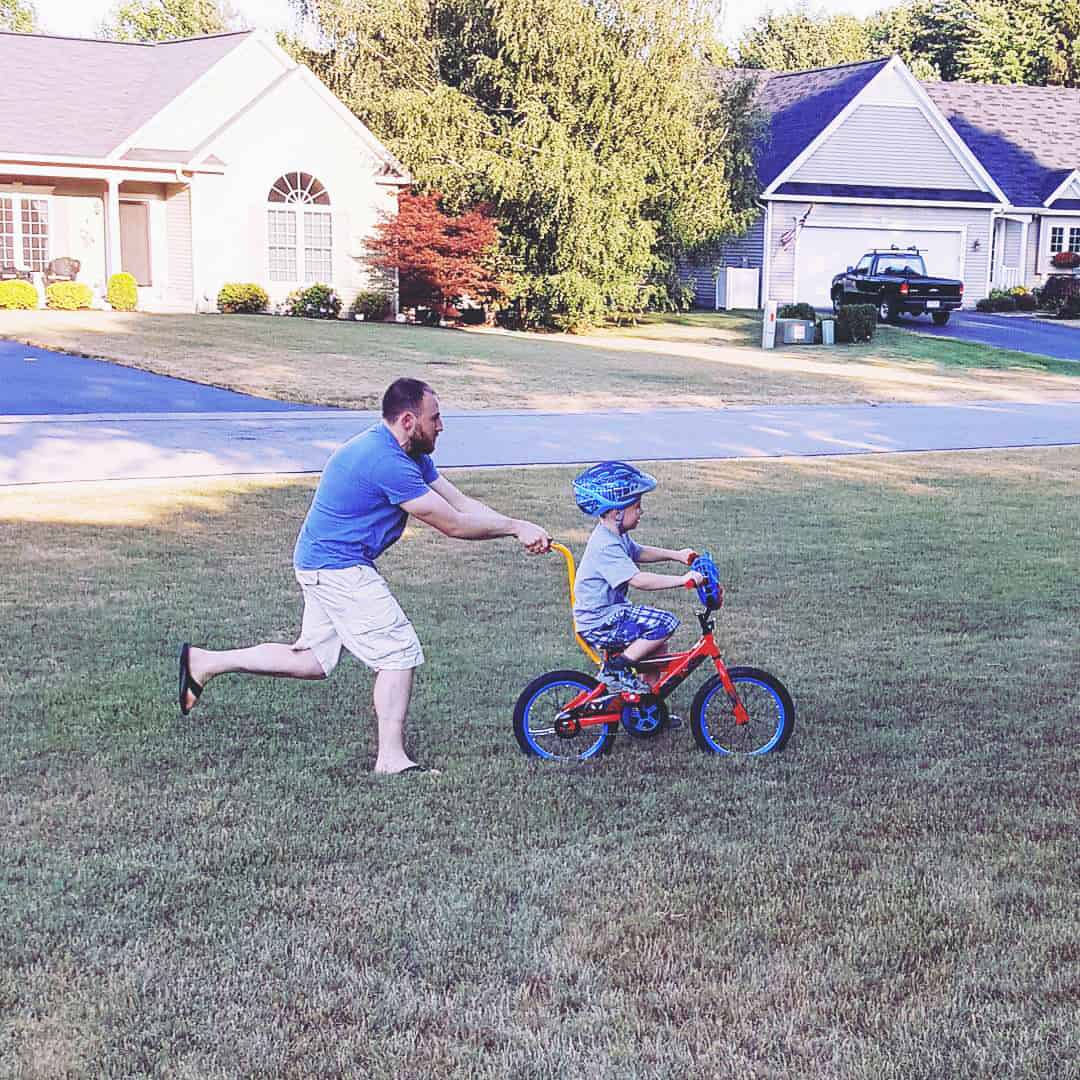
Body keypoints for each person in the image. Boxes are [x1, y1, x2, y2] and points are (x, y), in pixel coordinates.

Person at [177, 377, 551, 774]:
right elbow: (453, 525)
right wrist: (513, 527)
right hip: (337, 565)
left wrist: (518, 525)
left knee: (313, 662)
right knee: (398, 653)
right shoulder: (385, 461)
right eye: (435, 417)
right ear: (409, 420)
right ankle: (391, 759)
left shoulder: (409, 453)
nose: (441, 426)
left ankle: (204, 662)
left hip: (325, 561)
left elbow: (460, 503)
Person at [571, 461, 703, 694]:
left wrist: (677, 556)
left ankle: (648, 707)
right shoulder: (605, 545)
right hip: (600, 621)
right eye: (637, 506)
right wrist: (683, 580)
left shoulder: (615, 534)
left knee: (657, 647)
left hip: (611, 613)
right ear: (616, 511)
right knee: (665, 623)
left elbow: (639, 552)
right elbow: (638, 580)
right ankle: (616, 669)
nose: (641, 511)